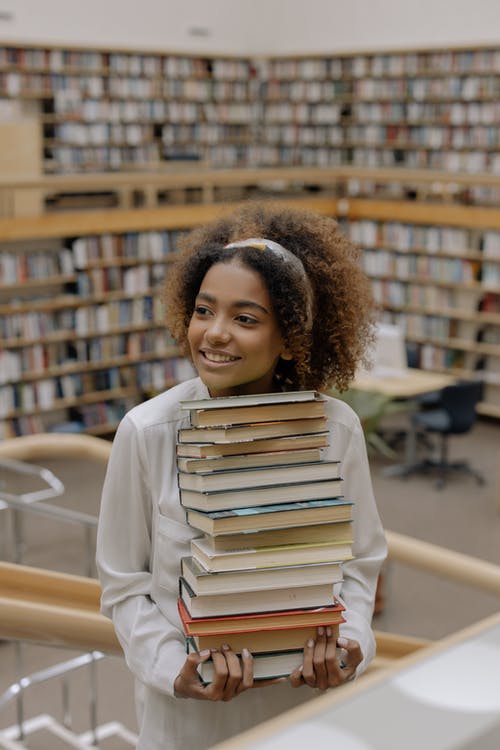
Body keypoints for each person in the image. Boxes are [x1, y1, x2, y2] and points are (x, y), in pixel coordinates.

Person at [96, 201, 387, 750]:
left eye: (245, 318)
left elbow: (361, 562)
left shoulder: (336, 430)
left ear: (291, 337)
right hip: (189, 721)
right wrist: (171, 667)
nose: (214, 333)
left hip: (301, 712)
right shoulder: (147, 431)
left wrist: (349, 646)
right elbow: (123, 582)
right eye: (204, 310)